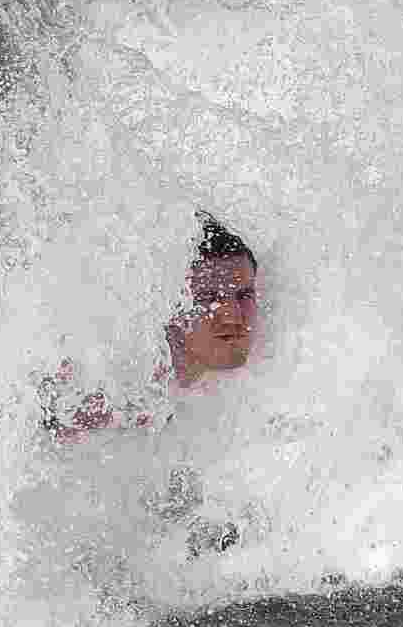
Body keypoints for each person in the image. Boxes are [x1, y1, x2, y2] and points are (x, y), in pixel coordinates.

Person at [34, 210, 261, 560]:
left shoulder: (266, 362)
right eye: (207, 297)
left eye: (243, 295)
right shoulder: (119, 385)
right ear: (167, 305)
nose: (231, 315)